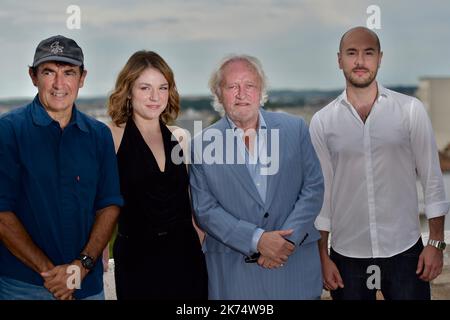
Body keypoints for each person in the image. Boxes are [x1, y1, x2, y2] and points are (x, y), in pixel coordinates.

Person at [309, 26, 449, 300]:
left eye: (368, 53)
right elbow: (321, 195)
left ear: (380, 58)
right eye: (352, 53)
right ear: (340, 60)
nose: (360, 61)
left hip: (405, 252)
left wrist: (435, 243)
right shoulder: (322, 122)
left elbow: (432, 179)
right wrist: (322, 257)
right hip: (347, 256)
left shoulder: (410, 110)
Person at [189, 54, 324, 299]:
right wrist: (257, 240)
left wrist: (286, 243)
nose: (242, 94)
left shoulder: (296, 129)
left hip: (295, 272)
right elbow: (205, 210)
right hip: (235, 278)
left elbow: (313, 187)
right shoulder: (201, 145)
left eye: (249, 85)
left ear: (261, 89)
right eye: (232, 86)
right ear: (218, 93)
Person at [0, 35, 123, 300]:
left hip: (87, 287)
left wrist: (81, 267)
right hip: (24, 287)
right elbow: (1, 212)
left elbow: (109, 204)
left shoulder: (99, 135)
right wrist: (50, 274)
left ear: (82, 78)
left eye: (69, 72)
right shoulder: (8, 131)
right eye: (48, 72)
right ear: (33, 76)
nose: (59, 84)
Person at [107, 50, 208, 300]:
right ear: (128, 90)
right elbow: (98, 202)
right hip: (137, 259)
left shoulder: (180, 137)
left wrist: (199, 236)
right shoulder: (112, 137)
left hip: (186, 256)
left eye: (162, 88)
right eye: (145, 88)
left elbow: (190, 199)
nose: (155, 97)